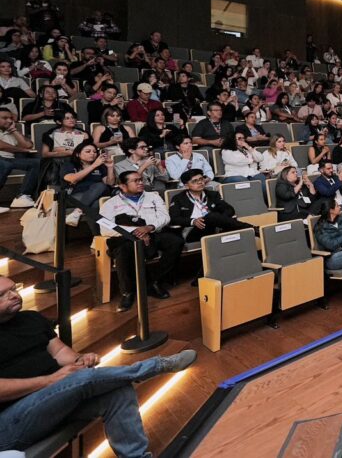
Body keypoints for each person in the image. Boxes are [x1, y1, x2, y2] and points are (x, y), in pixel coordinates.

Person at [0, 276, 197, 454]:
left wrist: (80, 359)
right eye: (3, 294)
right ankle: (155, 366)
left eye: (14, 288)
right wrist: (50, 380)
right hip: (9, 423)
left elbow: (60, 353)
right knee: (81, 378)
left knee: (118, 391)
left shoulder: (31, 318)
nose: (14, 295)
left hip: (53, 400)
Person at [100, 171, 181, 310]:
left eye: (141, 179)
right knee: (122, 251)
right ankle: (127, 292)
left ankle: (153, 281)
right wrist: (135, 231)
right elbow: (105, 228)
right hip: (126, 238)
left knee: (175, 242)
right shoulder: (110, 204)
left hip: (152, 232)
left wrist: (149, 227)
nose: (141, 183)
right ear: (123, 186)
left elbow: (165, 217)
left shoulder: (153, 197)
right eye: (135, 181)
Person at [168, 169, 246, 241]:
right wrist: (193, 221)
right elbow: (174, 218)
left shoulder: (212, 194)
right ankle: (250, 228)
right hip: (193, 230)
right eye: (195, 181)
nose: (200, 182)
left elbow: (229, 209)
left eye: (201, 179)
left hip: (215, 227)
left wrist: (220, 219)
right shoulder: (178, 198)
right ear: (186, 185)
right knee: (212, 216)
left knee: (213, 217)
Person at [0, 107, 41, 211]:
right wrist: (20, 150)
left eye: (11, 118)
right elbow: (1, 145)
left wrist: (14, 131)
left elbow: (28, 145)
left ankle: (23, 196)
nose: (9, 120)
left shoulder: (12, 131)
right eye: (5, 118)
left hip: (10, 159)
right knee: (5, 164)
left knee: (37, 162)